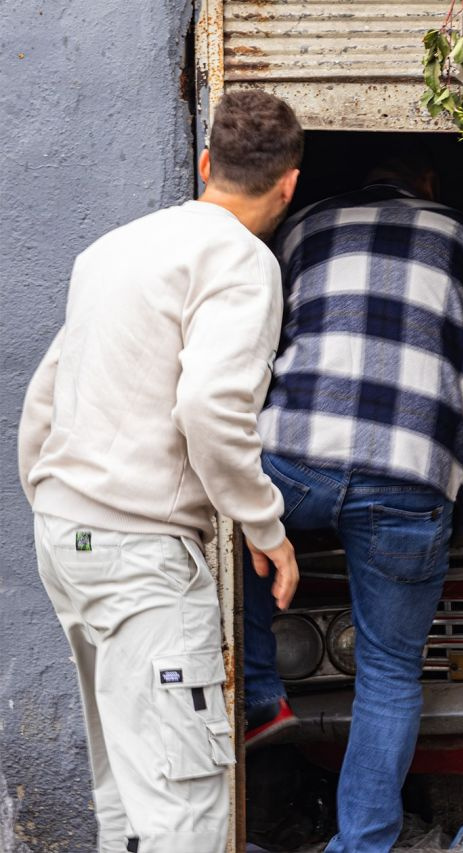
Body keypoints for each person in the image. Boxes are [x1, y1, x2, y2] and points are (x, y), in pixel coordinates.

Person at [16, 90, 304, 853]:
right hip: (139, 556)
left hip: (66, 537)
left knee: (125, 796)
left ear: (207, 165)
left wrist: (60, 504)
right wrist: (264, 523)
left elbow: (44, 395)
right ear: (290, 185)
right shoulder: (243, 264)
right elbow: (210, 407)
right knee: (186, 804)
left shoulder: (110, 250)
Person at [241, 147, 463, 852]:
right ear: (430, 181)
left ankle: (258, 687)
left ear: (363, 176)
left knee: (219, 521)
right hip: (407, 476)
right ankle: (362, 842)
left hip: (297, 459)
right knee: (390, 672)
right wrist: (455, 444)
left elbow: (262, 341)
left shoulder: (303, 226)